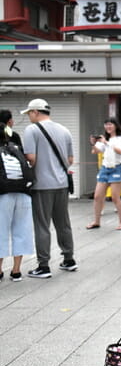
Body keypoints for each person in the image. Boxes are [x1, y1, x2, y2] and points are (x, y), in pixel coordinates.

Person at [21, 98, 77, 278]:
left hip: (41, 185)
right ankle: (69, 259)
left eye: (29, 113)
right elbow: (70, 161)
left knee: (42, 225)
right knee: (63, 223)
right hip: (61, 183)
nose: (29, 117)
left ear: (35, 112)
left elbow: (31, 158)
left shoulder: (32, 130)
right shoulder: (64, 130)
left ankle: (43, 266)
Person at [0, 122, 34, 282]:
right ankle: (16, 271)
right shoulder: (16, 148)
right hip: (23, 193)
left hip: (3, 194)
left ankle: (0, 270)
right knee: (20, 230)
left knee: (1, 231)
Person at [86, 117, 121, 231]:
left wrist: (106, 142)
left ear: (115, 126)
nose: (108, 127)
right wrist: (93, 143)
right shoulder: (104, 140)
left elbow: (120, 151)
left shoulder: (120, 139)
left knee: (115, 197)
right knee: (97, 196)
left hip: (117, 168)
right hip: (105, 168)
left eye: (110, 124)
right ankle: (96, 221)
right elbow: (95, 151)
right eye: (106, 125)